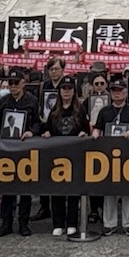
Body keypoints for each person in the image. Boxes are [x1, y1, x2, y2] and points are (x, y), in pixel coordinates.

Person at [0, 69, 40, 237]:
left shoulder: (32, 101)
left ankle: (23, 222)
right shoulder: (4, 101)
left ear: (23, 83)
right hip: (7, 148)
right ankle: (6, 222)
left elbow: (37, 123)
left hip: (24, 147)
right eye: (10, 83)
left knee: (25, 187)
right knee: (7, 187)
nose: (13, 86)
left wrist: (31, 132)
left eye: (15, 83)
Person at [93, 76, 129, 236]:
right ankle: (109, 223)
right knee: (109, 190)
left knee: (128, 189)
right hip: (107, 155)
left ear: (126, 92)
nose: (117, 94)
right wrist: (95, 134)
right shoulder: (104, 111)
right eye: (114, 91)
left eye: (120, 91)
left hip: (128, 155)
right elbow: (98, 128)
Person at [42, 78, 88, 236]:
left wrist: (84, 133)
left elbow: (86, 129)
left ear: (74, 91)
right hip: (57, 157)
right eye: (64, 88)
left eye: (69, 88)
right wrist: (46, 132)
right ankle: (58, 223)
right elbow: (47, 128)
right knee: (57, 191)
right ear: (60, 91)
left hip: (74, 156)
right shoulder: (54, 110)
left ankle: (72, 222)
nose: (66, 91)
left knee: (73, 190)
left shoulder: (80, 110)